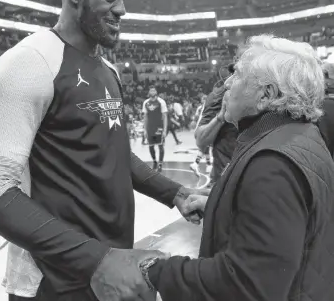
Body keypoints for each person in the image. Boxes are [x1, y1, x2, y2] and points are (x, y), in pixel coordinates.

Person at [0, 0, 208, 301]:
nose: (122, 9)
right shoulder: (30, 62)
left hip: (113, 267)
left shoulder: (108, 69)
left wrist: (176, 193)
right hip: (54, 282)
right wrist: (95, 259)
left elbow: (115, 151)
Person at [143, 35, 334, 301]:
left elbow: (247, 283)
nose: (228, 83)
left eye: (239, 75)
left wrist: (157, 272)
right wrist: (221, 206)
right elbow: (288, 229)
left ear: (267, 95)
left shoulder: (272, 165)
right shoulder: (298, 134)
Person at [195, 64, 238, 187]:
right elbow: (200, 140)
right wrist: (221, 116)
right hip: (223, 177)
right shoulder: (217, 97)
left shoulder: (267, 98)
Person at [143, 86, 168, 172]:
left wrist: (165, 130)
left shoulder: (161, 102)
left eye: (154, 90)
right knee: (151, 146)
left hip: (159, 127)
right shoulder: (146, 103)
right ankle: (154, 161)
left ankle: (160, 164)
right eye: (151, 90)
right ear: (149, 92)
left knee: (160, 146)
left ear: (156, 92)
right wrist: (145, 129)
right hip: (150, 128)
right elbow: (145, 117)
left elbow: (165, 117)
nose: (152, 92)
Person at [190, 95, 212, 177]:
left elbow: (195, 119)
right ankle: (195, 163)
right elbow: (195, 119)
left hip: (201, 130)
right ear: (202, 100)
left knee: (206, 148)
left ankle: (208, 165)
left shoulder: (201, 108)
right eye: (203, 98)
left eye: (206, 98)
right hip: (204, 129)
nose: (205, 100)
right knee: (204, 147)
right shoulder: (207, 108)